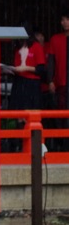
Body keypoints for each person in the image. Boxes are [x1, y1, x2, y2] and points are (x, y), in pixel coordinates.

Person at [47, 12, 69, 150]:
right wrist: (50, 80)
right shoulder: (55, 39)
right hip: (61, 83)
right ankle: (63, 146)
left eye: (67, 19)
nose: (64, 22)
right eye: (63, 19)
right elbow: (51, 63)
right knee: (61, 115)